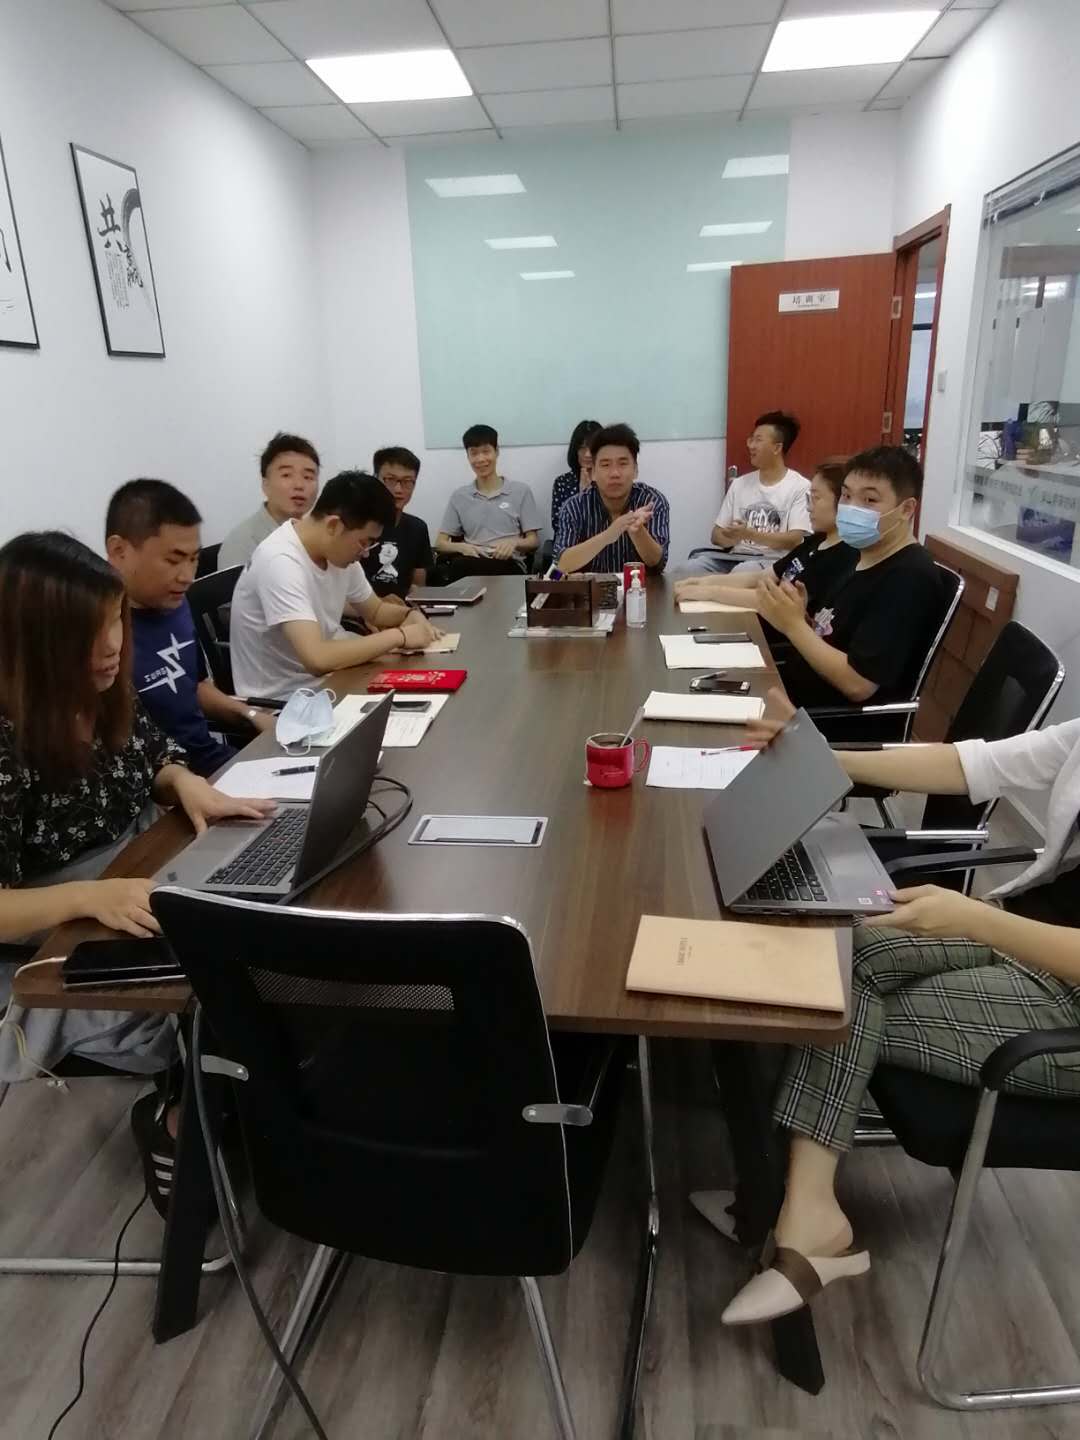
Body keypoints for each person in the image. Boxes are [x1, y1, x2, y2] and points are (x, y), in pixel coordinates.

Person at [711, 688, 1080, 1326]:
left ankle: (802, 1218)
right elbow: (969, 764)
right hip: (1024, 934)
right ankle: (788, 1202)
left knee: (833, 994)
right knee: (835, 952)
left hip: (1066, 1007)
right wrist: (826, 759)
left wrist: (974, 919)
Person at [0, 531, 274, 1211]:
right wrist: (88, 897)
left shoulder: (96, 688)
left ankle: (239, 1100)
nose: (111, 647)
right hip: (49, 935)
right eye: (86, 634)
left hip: (137, 871)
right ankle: (180, 1117)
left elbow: (151, 758)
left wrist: (184, 783)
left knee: (261, 939)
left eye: (115, 623)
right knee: (214, 989)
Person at [105, 479, 277, 778]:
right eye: (173, 560)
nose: (186, 576)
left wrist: (251, 716)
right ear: (119, 551)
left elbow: (193, 686)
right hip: (163, 787)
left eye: (194, 559)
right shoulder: (99, 635)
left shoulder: (174, 601)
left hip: (213, 763)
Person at [752, 446, 945, 709]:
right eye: (846, 495)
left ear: (906, 509)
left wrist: (793, 625)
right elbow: (833, 636)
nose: (851, 508)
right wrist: (802, 617)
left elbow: (858, 684)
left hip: (819, 719)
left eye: (870, 500)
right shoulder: (859, 555)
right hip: (788, 690)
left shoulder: (909, 576)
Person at [230, 469, 439, 701]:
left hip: (335, 680)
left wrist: (409, 615)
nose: (366, 553)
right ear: (334, 526)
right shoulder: (280, 561)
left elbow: (376, 611)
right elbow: (317, 659)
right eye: (365, 542)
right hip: (289, 701)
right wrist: (400, 636)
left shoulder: (337, 552)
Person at [674, 459, 855, 620]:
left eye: (816, 498)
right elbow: (761, 577)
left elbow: (772, 600)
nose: (809, 508)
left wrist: (710, 592)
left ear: (843, 501)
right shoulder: (815, 542)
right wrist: (703, 582)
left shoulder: (840, 557)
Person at [687, 412, 810, 574]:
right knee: (688, 569)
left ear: (777, 448)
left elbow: (795, 539)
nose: (751, 446)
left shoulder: (800, 486)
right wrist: (732, 536)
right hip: (733, 557)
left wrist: (750, 534)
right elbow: (716, 535)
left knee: (742, 571)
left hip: (773, 562)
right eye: (751, 439)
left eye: (758, 440)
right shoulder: (739, 484)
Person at [554, 422, 670, 575]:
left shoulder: (652, 501)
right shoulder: (574, 507)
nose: (615, 473)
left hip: (640, 588)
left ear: (635, 470)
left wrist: (638, 531)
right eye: (606, 465)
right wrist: (609, 535)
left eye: (623, 464)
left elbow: (658, 564)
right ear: (593, 472)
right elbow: (560, 566)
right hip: (591, 588)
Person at [435, 424, 541, 578]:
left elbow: (534, 541)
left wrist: (514, 543)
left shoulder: (520, 491)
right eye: (474, 453)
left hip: (508, 563)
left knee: (461, 567)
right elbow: (440, 543)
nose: (480, 459)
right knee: (451, 568)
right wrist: (462, 547)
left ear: (496, 451)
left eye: (486, 451)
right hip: (471, 561)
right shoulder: (460, 496)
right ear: (467, 456)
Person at [219, 431, 320, 570]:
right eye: (286, 475)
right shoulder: (241, 544)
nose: (299, 485)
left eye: (308, 477)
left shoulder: (321, 535)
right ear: (265, 484)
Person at [363, 445, 434, 600]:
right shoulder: (358, 525)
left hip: (402, 608)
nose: (398, 489)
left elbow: (418, 587)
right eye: (390, 479)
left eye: (407, 481)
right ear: (375, 479)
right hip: (361, 609)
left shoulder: (418, 528)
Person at [550, 418, 601, 532]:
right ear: (575, 450)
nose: (587, 454)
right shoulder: (562, 482)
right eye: (582, 448)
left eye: (592, 448)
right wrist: (581, 495)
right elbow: (558, 525)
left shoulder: (609, 480)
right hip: (570, 540)